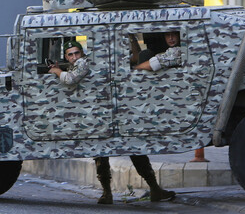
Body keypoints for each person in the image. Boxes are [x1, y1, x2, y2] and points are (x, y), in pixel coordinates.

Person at [49, 40, 175, 204]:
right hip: (99, 116)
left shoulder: (83, 62)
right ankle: (109, 192)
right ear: (66, 57)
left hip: (110, 113)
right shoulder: (77, 64)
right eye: (70, 55)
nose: (74, 57)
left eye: (77, 53)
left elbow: (70, 79)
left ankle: (152, 189)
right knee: (103, 154)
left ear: (82, 53)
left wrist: (57, 71)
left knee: (134, 149)